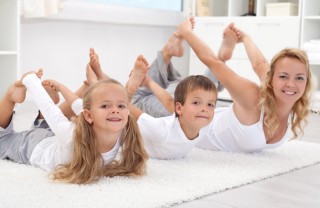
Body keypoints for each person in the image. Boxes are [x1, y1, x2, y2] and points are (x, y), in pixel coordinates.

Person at [173, 17, 314, 152]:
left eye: (299, 78)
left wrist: (245, 38)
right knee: (159, 102)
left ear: (307, 81)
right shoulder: (252, 97)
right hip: (185, 123)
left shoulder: (291, 100)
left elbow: (260, 64)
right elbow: (212, 62)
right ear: (271, 78)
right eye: (283, 76)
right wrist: (187, 32)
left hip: (211, 112)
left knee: (203, 92)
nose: (291, 84)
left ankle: (223, 55)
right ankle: (219, 56)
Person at [0, 67, 148, 184]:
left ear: (127, 113)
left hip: (56, 140)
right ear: (89, 116)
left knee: (48, 127)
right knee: (3, 139)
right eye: (105, 106)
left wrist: (60, 87)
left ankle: (41, 119)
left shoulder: (124, 132)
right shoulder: (72, 136)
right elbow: (50, 109)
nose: (116, 110)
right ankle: (11, 94)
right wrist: (30, 81)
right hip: (34, 146)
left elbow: (79, 106)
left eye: (121, 106)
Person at [125, 56, 218, 159]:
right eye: (196, 102)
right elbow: (136, 114)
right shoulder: (162, 131)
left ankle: (145, 81)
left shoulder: (203, 123)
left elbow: (170, 103)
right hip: (125, 133)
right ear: (179, 108)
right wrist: (127, 95)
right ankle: (129, 90)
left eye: (210, 104)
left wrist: (147, 81)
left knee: (172, 105)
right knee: (120, 106)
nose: (205, 109)